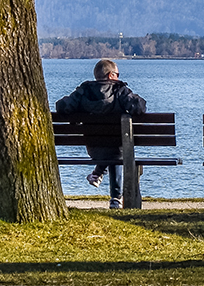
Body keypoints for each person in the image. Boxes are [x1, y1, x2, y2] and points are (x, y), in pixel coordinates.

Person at [54, 59, 146, 208]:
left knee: (112, 148)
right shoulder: (119, 91)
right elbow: (139, 107)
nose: (118, 77)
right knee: (118, 149)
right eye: (117, 74)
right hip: (119, 148)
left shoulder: (84, 91)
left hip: (93, 147)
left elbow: (62, 106)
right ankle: (115, 198)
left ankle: (98, 174)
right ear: (111, 75)